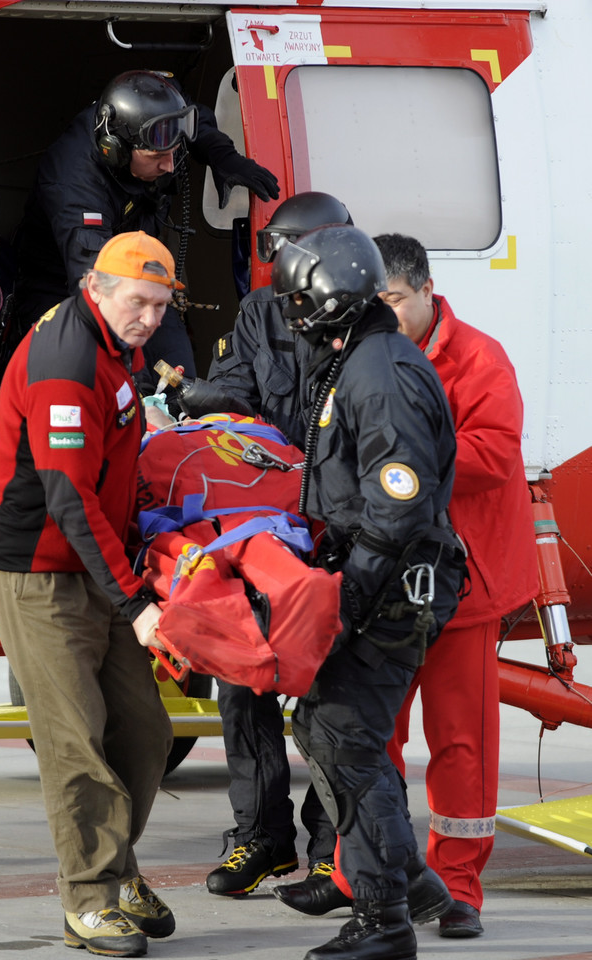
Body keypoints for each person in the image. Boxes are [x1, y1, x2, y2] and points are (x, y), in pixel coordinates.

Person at [0, 231, 183, 958]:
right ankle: (90, 901)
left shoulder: (109, 342)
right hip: (41, 575)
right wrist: (135, 602)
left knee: (146, 731)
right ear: (96, 287)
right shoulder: (67, 362)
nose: (151, 319)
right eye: (140, 302)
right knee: (76, 741)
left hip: (89, 568)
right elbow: (69, 497)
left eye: (161, 306)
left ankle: (116, 871)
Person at [269, 224, 466, 960]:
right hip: (379, 573)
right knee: (325, 729)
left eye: (297, 301)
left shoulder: (378, 373)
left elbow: (398, 502)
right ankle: (411, 885)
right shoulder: (359, 359)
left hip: (392, 582)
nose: (291, 316)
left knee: (343, 737)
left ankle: (385, 920)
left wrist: (347, 601)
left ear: (329, 300)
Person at [374, 233, 539, 936]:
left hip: (460, 588)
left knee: (459, 741)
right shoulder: (367, 351)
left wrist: (399, 460)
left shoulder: (478, 358)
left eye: (392, 301)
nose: (382, 315)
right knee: (371, 734)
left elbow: (495, 454)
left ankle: (458, 887)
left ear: (426, 290)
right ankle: (369, 879)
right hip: (384, 580)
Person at [201, 193, 353, 897]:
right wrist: (199, 398)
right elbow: (238, 388)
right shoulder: (260, 312)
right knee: (242, 677)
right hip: (267, 523)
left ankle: (331, 849)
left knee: (328, 691)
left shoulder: (359, 320)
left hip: (337, 530)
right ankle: (261, 837)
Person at [9, 68, 280, 379]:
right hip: (69, 287)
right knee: (96, 379)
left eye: (173, 154)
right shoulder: (74, 187)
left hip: (140, 273)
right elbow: (99, 293)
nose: (168, 166)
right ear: (117, 152)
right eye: (156, 158)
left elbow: (190, 117)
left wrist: (222, 155)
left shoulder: (156, 100)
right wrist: (135, 386)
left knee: (182, 379)